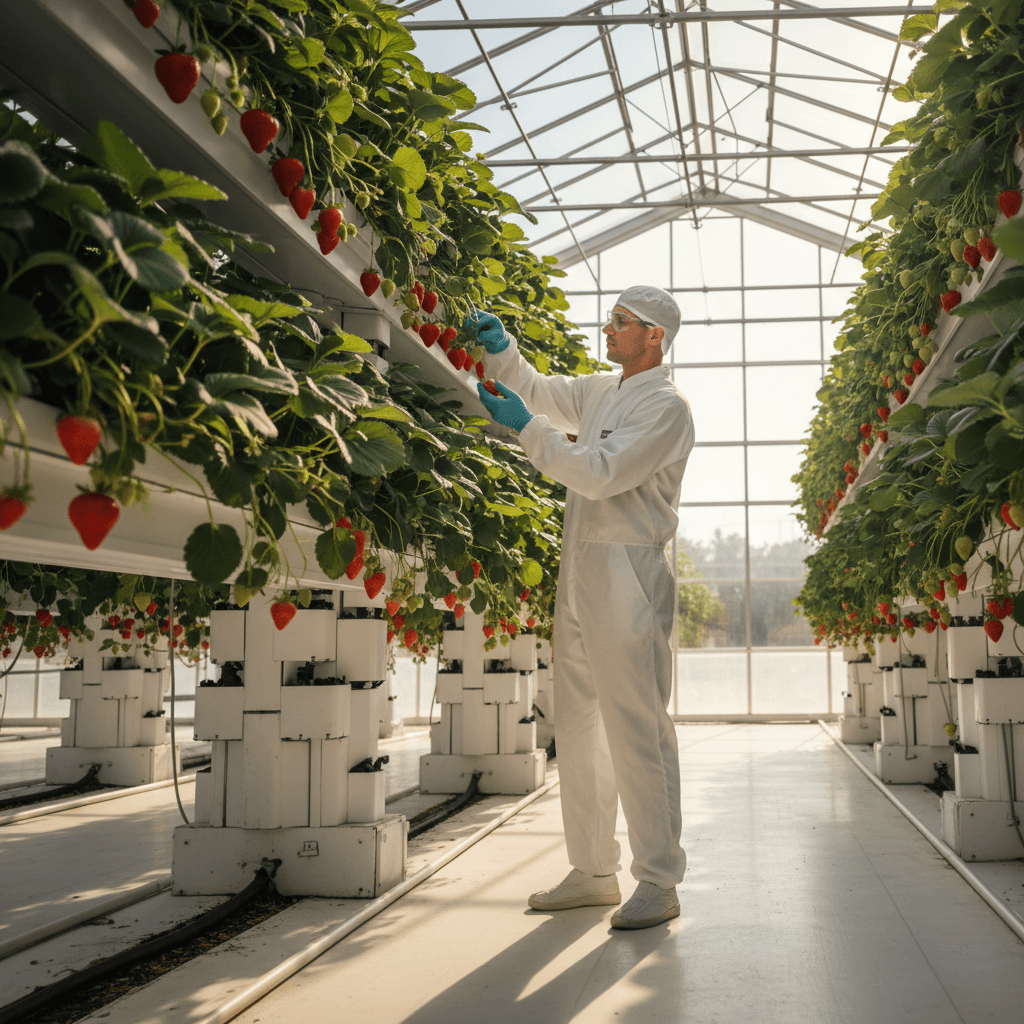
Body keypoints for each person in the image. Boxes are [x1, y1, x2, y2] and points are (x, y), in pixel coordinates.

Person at [467, 285, 694, 931]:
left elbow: (598, 472)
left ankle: (658, 878)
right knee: (582, 724)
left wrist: (529, 432)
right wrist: (503, 348)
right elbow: (537, 390)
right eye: (612, 318)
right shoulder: (603, 390)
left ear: (655, 334)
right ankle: (594, 870)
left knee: (638, 726)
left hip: (629, 567)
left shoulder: (668, 408)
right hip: (583, 565)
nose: (609, 328)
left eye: (621, 322)